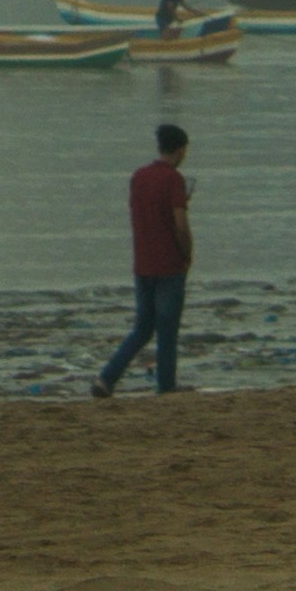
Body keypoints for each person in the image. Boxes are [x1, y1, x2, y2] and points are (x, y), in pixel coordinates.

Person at [96, 123, 192, 395]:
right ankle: (166, 386)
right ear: (181, 149)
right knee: (167, 331)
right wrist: (187, 254)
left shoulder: (139, 177)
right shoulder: (174, 179)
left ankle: (106, 378)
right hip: (168, 264)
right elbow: (180, 226)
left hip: (143, 262)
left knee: (142, 328)